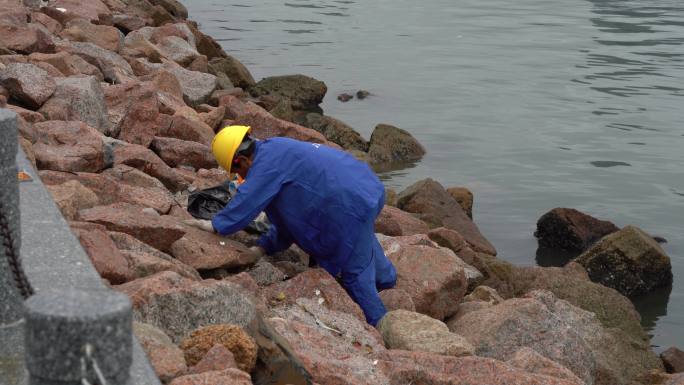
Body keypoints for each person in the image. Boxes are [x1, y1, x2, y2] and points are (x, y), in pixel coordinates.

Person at [184, 125, 397, 326]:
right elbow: (288, 220)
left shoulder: (265, 167)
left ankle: (381, 324)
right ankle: (386, 279)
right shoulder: (274, 147)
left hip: (351, 204)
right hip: (367, 186)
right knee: (361, 236)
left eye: (237, 173)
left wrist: (215, 225)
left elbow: (244, 205)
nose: (241, 178)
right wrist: (263, 247)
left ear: (240, 161)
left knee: (354, 272)